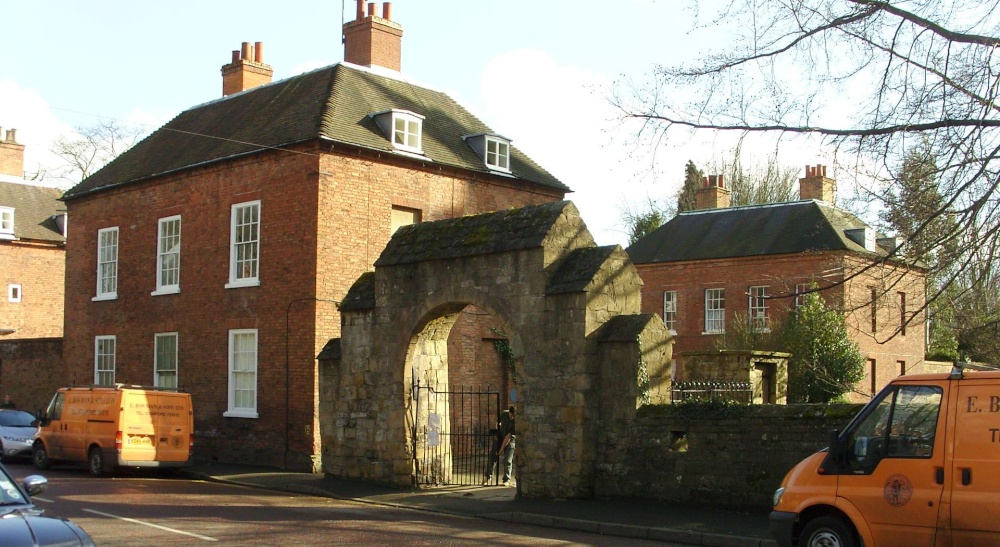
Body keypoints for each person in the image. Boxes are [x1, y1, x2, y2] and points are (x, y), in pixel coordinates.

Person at [483, 405, 516, 486]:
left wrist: (501, 450)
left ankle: (506, 479)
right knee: (492, 457)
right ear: (509, 412)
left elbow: (508, 437)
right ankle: (488, 476)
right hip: (500, 436)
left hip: (510, 439)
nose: (512, 417)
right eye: (511, 415)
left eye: (514, 416)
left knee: (507, 460)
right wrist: (497, 432)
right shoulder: (504, 414)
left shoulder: (516, 421)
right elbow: (497, 422)